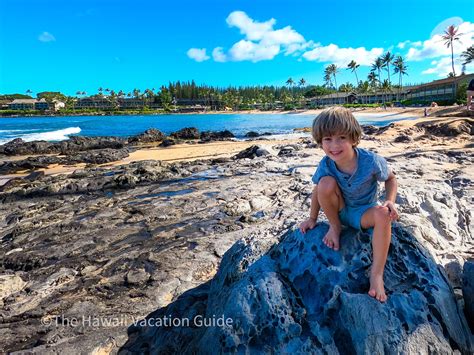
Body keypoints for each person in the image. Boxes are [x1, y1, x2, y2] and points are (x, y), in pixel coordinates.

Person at [299, 107, 398, 302]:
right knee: (324, 183)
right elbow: (318, 190)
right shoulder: (326, 164)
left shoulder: (371, 161)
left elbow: (391, 178)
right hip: (340, 211)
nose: (334, 145)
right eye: (327, 139)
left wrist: (390, 201)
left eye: (341, 138)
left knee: (384, 215)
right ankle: (335, 228)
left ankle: (376, 275)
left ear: (353, 138)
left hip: (364, 212)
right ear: (320, 142)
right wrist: (312, 218)